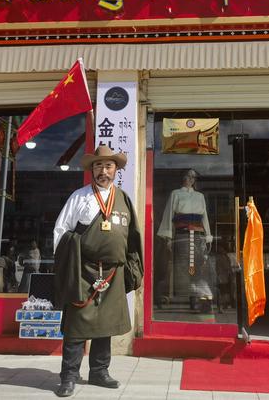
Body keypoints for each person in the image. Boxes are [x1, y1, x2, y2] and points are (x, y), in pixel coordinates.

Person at [52, 145, 143, 398]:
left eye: (108, 166)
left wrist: (133, 268)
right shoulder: (79, 197)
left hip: (113, 273)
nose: (103, 171)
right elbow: (60, 232)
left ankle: (99, 372)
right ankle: (69, 376)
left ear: (116, 170)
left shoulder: (123, 199)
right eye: (99, 166)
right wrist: (69, 262)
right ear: (92, 169)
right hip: (83, 271)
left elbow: (133, 237)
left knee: (106, 325)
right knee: (76, 326)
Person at [157, 169, 214, 312]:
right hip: (182, 235)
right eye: (188, 176)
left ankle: (197, 299)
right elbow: (169, 215)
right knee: (183, 267)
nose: (191, 179)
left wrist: (208, 236)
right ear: (183, 178)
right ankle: (187, 297)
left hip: (198, 235)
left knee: (197, 267)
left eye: (193, 177)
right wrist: (169, 237)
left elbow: (204, 217)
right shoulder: (176, 194)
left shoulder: (200, 196)